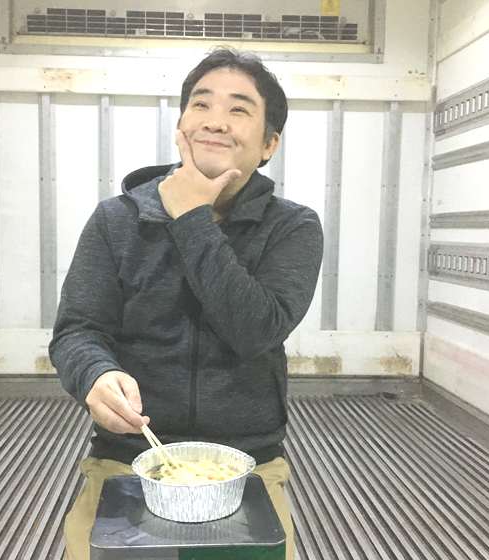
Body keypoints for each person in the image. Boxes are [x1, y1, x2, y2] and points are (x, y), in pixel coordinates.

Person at [50, 47, 324, 560]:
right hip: (127, 458)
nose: (216, 121)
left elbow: (256, 330)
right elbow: (78, 331)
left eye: (239, 108)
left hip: (247, 465)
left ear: (270, 143)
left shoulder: (292, 227)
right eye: (201, 104)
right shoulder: (117, 219)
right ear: (181, 125)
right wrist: (94, 374)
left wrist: (190, 216)